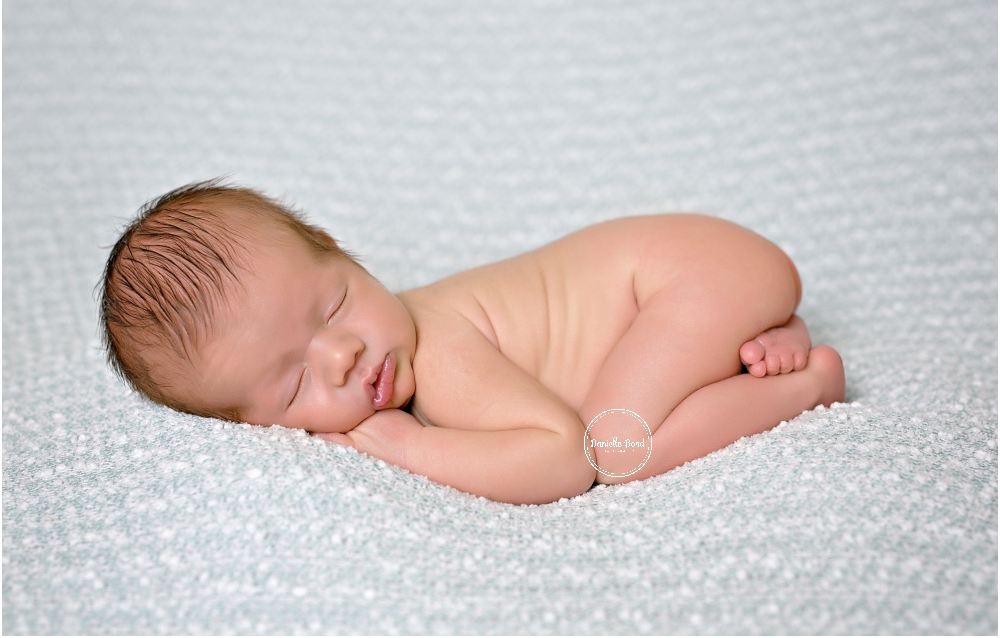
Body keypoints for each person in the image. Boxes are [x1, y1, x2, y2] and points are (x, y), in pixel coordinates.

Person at [100, 180, 845, 504]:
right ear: (248, 425)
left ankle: (804, 383)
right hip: (702, 290)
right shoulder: (393, 349)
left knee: (619, 448)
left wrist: (409, 449)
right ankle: (750, 337)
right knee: (629, 395)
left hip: (688, 276)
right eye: (293, 385)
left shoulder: (439, 346)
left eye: (335, 305)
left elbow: (562, 460)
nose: (342, 356)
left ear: (340, 249)